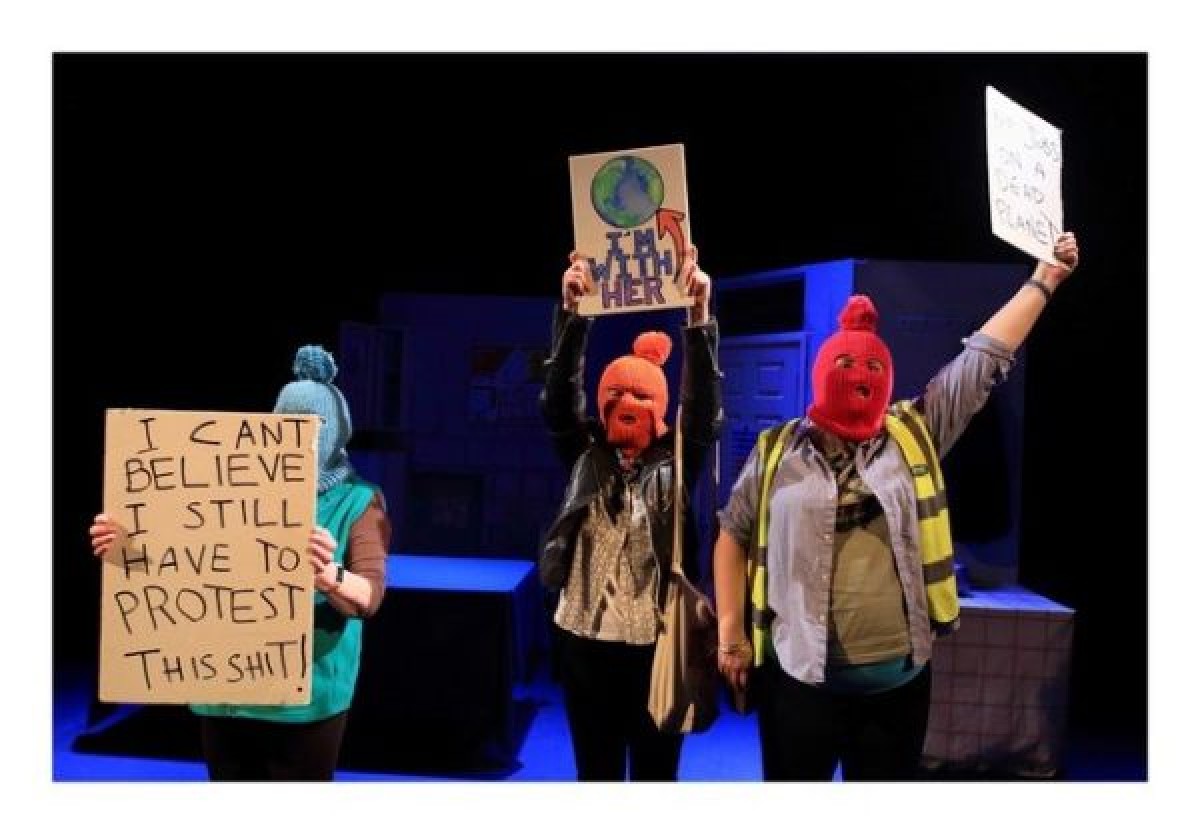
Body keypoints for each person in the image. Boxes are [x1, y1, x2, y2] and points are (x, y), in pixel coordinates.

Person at [713, 233, 1080, 781]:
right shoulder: (775, 451)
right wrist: (731, 636)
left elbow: (981, 358)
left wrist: (1043, 280)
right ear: (820, 373)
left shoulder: (914, 432)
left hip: (897, 688)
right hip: (799, 684)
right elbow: (732, 533)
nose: (858, 376)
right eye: (844, 364)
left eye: (870, 368)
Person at [89, 344, 391, 781]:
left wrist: (328, 575)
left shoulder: (358, 500)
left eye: (316, 425)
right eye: (289, 423)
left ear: (338, 431)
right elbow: (183, 561)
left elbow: (370, 594)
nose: (304, 437)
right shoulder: (226, 485)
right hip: (226, 689)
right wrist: (124, 546)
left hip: (307, 699)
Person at [539, 246, 723, 780]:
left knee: (655, 777)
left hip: (657, 644)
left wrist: (699, 317)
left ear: (659, 407)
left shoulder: (677, 459)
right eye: (616, 393)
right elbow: (558, 401)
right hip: (584, 643)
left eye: (640, 395)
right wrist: (573, 315)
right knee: (594, 776)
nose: (627, 403)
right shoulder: (585, 454)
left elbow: (703, 410)